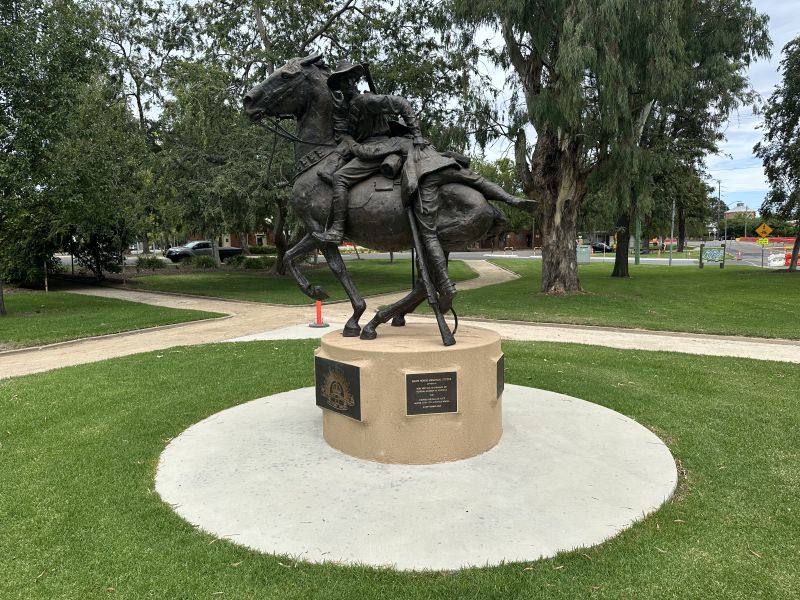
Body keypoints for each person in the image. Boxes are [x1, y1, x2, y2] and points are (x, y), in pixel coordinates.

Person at [316, 60, 534, 308]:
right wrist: (345, 127)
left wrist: (416, 135)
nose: (346, 85)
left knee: (341, 178)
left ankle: (337, 228)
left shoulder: (365, 101)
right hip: (372, 148)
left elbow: (401, 104)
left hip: (379, 149)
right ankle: (509, 199)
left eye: (348, 80)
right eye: (341, 82)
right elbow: (344, 134)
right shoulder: (347, 107)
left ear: (353, 81)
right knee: (470, 178)